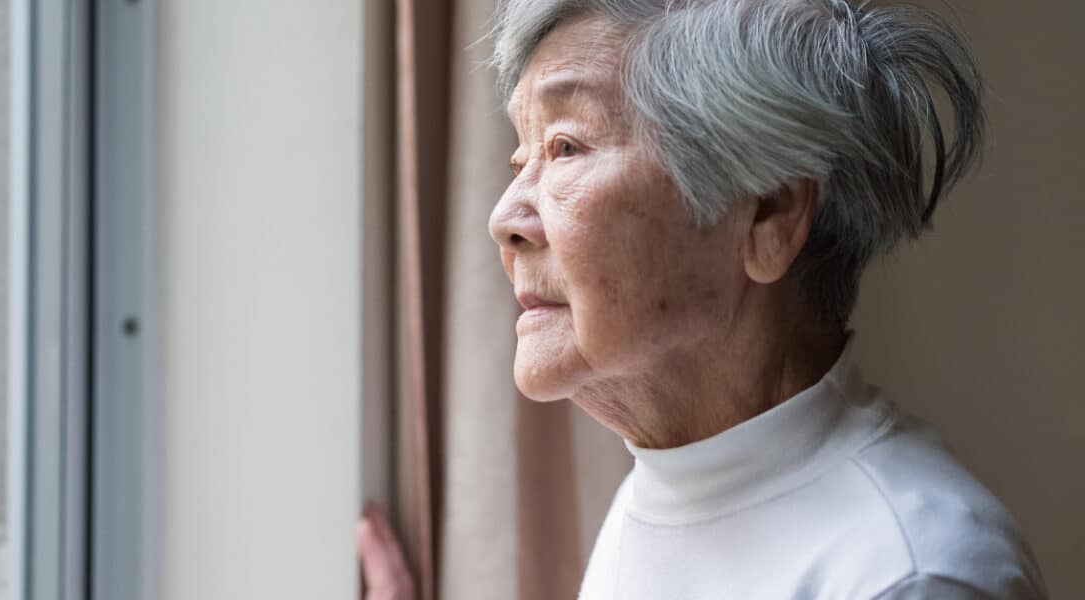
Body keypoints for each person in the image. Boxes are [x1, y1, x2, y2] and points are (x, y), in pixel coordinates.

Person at [359, 0, 1048, 598]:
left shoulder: (911, 573)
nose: (505, 217)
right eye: (521, 159)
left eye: (566, 148)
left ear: (770, 214)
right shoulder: (662, 489)